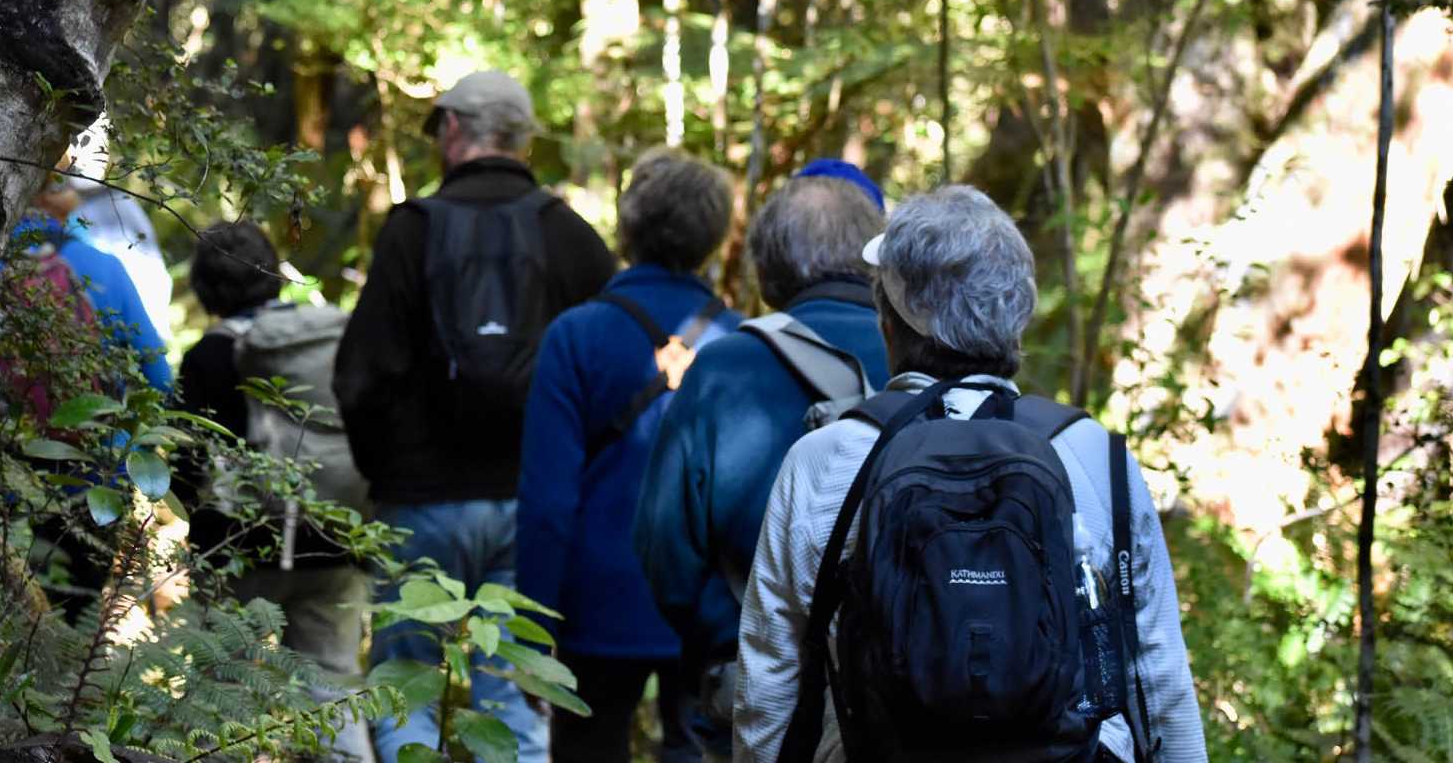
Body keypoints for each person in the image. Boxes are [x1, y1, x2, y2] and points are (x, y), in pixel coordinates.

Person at [731, 185, 1205, 762]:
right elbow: (1155, 673)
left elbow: (770, 682)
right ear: (1015, 320)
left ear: (889, 324)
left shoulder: (823, 460)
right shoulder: (1093, 455)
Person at [333, 70, 617, 762]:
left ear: (454, 129)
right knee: (512, 696)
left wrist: (392, 477)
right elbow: (612, 377)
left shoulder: (412, 231)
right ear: (523, 140)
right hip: (532, 506)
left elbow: (359, 379)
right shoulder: (570, 236)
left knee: (405, 689)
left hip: (420, 502)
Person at [632, 172, 890, 760]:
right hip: (907, 689)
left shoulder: (723, 368)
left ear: (769, 268)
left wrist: (729, 640)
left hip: (758, 697)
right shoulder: (927, 351)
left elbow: (662, 548)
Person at [516, 149, 739, 763]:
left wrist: (531, 636)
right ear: (715, 236)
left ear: (628, 226)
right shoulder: (742, 342)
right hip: (706, 609)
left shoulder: (575, 336)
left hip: (596, 608)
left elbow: (547, 503)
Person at [176, 220, 374, 762]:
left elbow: (186, 462)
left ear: (205, 286)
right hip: (334, 541)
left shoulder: (209, 356)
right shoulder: (328, 340)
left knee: (221, 691)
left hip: (238, 549)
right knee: (332, 687)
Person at [0, 174, 173, 421]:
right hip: (101, 441)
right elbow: (159, 379)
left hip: (6, 439)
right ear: (60, 197)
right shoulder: (106, 267)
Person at [65, 177, 173, 345]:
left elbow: (148, 250)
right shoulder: (78, 214)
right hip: (121, 300)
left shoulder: (120, 201)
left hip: (137, 288)